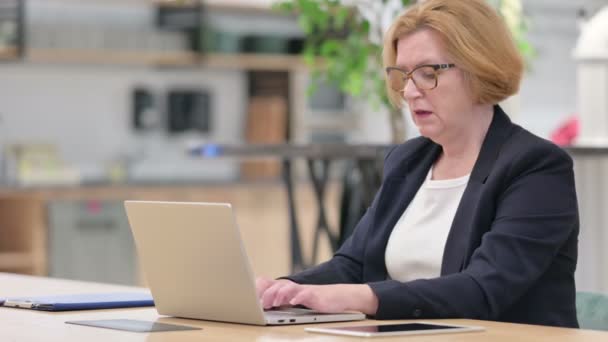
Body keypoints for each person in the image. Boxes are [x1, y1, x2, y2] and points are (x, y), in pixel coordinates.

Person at [257, 0, 579, 328]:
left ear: (480, 68)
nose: (410, 92)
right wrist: (284, 290)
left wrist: (363, 296)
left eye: (428, 74)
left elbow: (482, 289)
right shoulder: (408, 160)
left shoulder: (537, 167)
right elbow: (352, 265)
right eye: (402, 75)